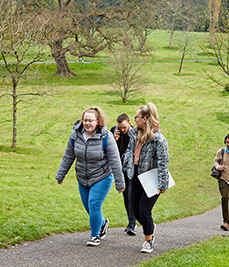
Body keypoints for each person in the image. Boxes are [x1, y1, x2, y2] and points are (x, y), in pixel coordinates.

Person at [55, 107, 125, 247]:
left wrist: (120, 183)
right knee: (89, 208)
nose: (87, 123)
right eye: (85, 120)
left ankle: (94, 236)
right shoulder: (76, 135)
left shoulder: (106, 137)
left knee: (94, 204)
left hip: (102, 176)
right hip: (83, 177)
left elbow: (115, 161)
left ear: (98, 121)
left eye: (90, 120)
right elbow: (69, 156)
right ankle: (103, 223)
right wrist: (60, 174)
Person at [122, 102, 169, 253]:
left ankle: (148, 240)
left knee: (144, 210)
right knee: (134, 210)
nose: (135, 119)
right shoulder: (133, 134)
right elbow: (129, 152)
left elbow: (163, 162)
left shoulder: (159, 140)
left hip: (151, 179)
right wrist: (127, 164)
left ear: (145, 119)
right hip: (135, 176)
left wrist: (163, 184)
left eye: (137, 117)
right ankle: (150, 226)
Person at [110, 113, 137, 236]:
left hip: (132, 169)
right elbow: (109, 152)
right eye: (120, 127)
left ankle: (133, 223)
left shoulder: (135, 134)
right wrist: (114, 140)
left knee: (131, 195)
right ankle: (131, 222)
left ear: (130, 123)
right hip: (120, 170)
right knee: (126, 196)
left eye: (124, 127)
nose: (122, 130)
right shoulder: (114, 132)